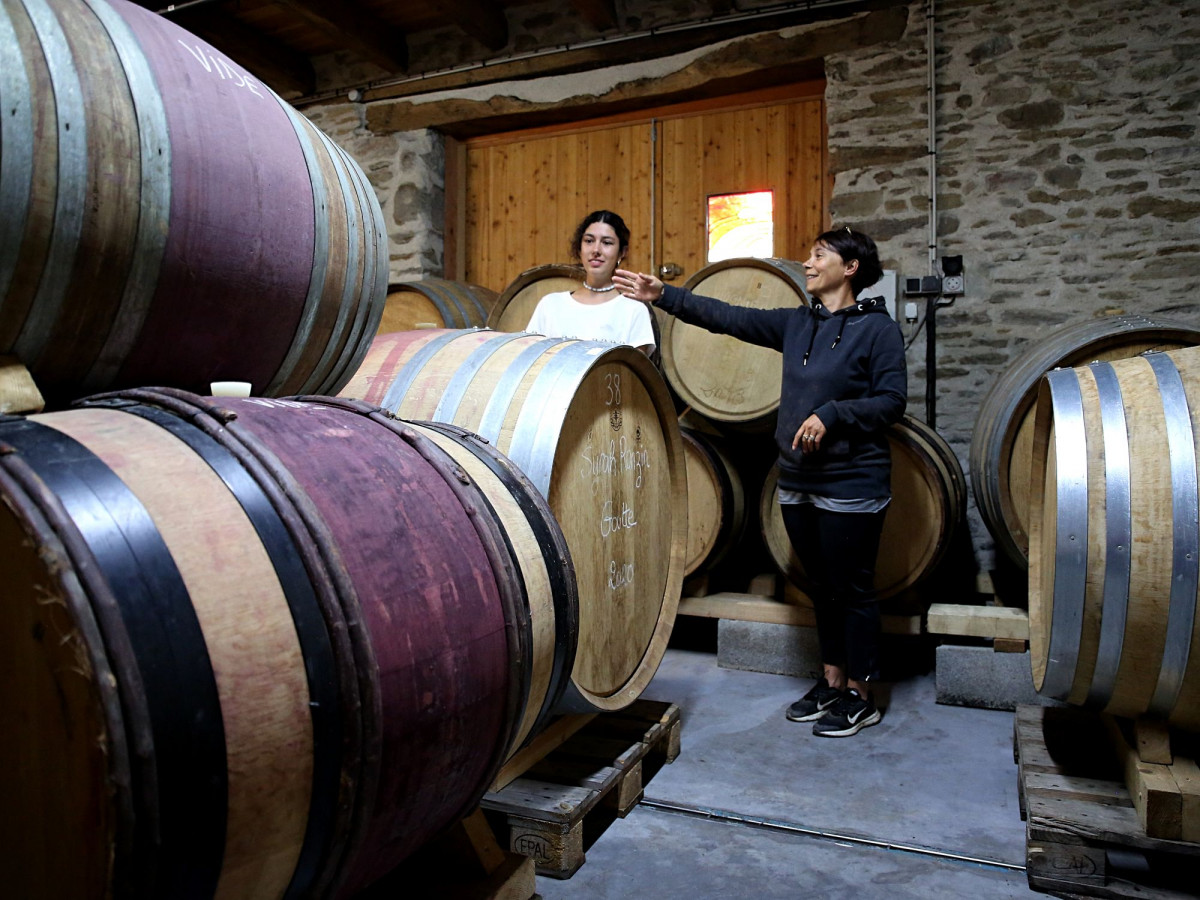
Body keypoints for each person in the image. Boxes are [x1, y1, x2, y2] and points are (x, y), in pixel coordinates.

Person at [614, 227, 906, 738]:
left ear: (851, 267)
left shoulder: (877, 330)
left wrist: (833, 414)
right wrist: (665, 297)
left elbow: (891, 401)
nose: (808, 263)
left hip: (851, 484)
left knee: (852, 588)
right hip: (798, 481)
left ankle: (863, 692)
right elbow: (731, 319)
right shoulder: (799, 323)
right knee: (820, 587)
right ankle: (832, 679)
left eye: (819, 255)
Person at [526, 210, 656, 355]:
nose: (596, 249)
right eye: (589, 241)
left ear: (622, 252)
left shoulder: (634, 310)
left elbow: (633, 373)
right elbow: (530, 360)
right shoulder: (550, 304)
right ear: (580, 248)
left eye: (607, 243)